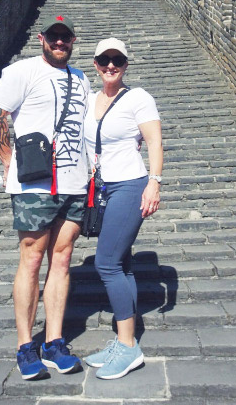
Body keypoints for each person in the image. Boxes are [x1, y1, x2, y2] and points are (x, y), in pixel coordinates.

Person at [0, 15, 91, 380]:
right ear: (41, 38)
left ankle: (55, 342)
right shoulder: (21, 72)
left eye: (66, 38)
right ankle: (26, 345)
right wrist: (10, 164)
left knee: (61, 260)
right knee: (31, 261)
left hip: (74, 183)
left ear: (73, 41)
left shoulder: (81, 77)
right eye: (54, 36)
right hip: (35, 185)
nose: (60, 42)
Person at [82, 37, 163, 380]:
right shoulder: (89, 100)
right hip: (101, 187)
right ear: (96, 63)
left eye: (117, 60)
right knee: (124, 265)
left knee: (107, 263)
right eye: (104, 60)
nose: (110, 66)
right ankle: (121, 339)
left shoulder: (138, 97)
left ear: (126, 63)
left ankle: (129, 347)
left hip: (130, 185)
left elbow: (156, 140)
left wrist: (154, 183)